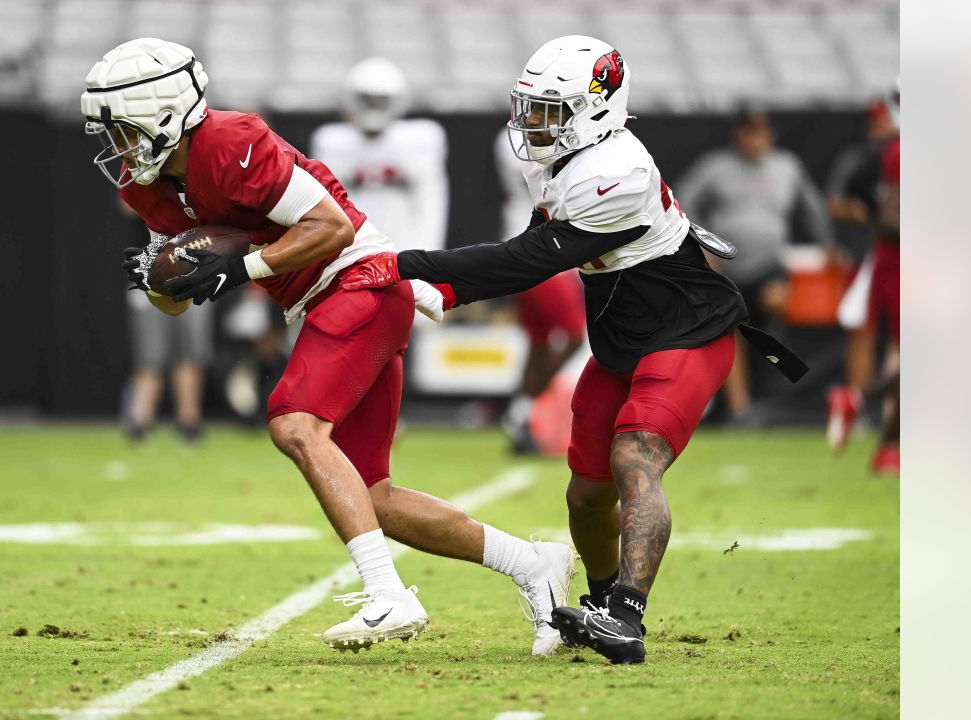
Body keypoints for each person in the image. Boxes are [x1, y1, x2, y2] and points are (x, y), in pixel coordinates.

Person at [83, 38, 574, 654]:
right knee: (374, 500)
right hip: (325, 298)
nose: (117, 148)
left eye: (124, 130)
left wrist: (239, 271)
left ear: (160, 114)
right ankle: (534, 565)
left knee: (294, 424)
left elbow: (331, 227)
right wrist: (161, 283)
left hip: (361, 277)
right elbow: (183, 290)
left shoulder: (230, 143)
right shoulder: (147, 188)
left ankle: (387, 594)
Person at [340, 35, 805, 663]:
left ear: (597, 108)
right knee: (586, 494)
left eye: (550, 109)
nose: (532, 123)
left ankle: (628, 618)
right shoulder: (564, 159)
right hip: (622, 339)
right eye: (529, 107)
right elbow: (536, 239)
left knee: (633, 454)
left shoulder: (618, 171)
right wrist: (442, 289)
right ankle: (601, 601)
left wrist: (405, 265)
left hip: (687, 331)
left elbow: (529, 259)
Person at [677, 107, 833, 425]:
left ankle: (774, 383)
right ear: (738, 135)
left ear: (769, 134)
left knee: (775, 303)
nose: (755, 139)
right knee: (731, 331)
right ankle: (740, 409)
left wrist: (827, 243)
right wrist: (703, 247)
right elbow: (682, 202)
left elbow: (812, 207)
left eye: (760, 131)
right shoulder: (715, 167)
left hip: (769, 265)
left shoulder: (786, 167)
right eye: (749, 132)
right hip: (727, 268)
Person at [494, 128, 586, 455]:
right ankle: (525, 406)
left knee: (538, 343)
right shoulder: (516, 141)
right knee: (574, 336)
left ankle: (519, 414)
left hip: (539, 249)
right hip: (538, 251)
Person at [827, 88, 900, 473]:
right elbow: (886, 218)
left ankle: (877, 425)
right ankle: (873, 418)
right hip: (886, 257)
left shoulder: (890, 153)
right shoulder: (883, 155)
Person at [310, 58, 448, 258]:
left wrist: (427, 251)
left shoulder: (421, 138)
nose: (374, 107)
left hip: (404, 245)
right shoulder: (332, 141)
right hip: (352, 247)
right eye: (368, 100)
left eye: (381, 100)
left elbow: (430, 202)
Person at [117, 197, 211, 444]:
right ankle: (141, 420)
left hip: (192, 271)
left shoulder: (193, 174)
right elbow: (127, 205)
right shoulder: (142, 175)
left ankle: (188, 422)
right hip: (149, 272)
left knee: (191, 353)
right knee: (150, 355)